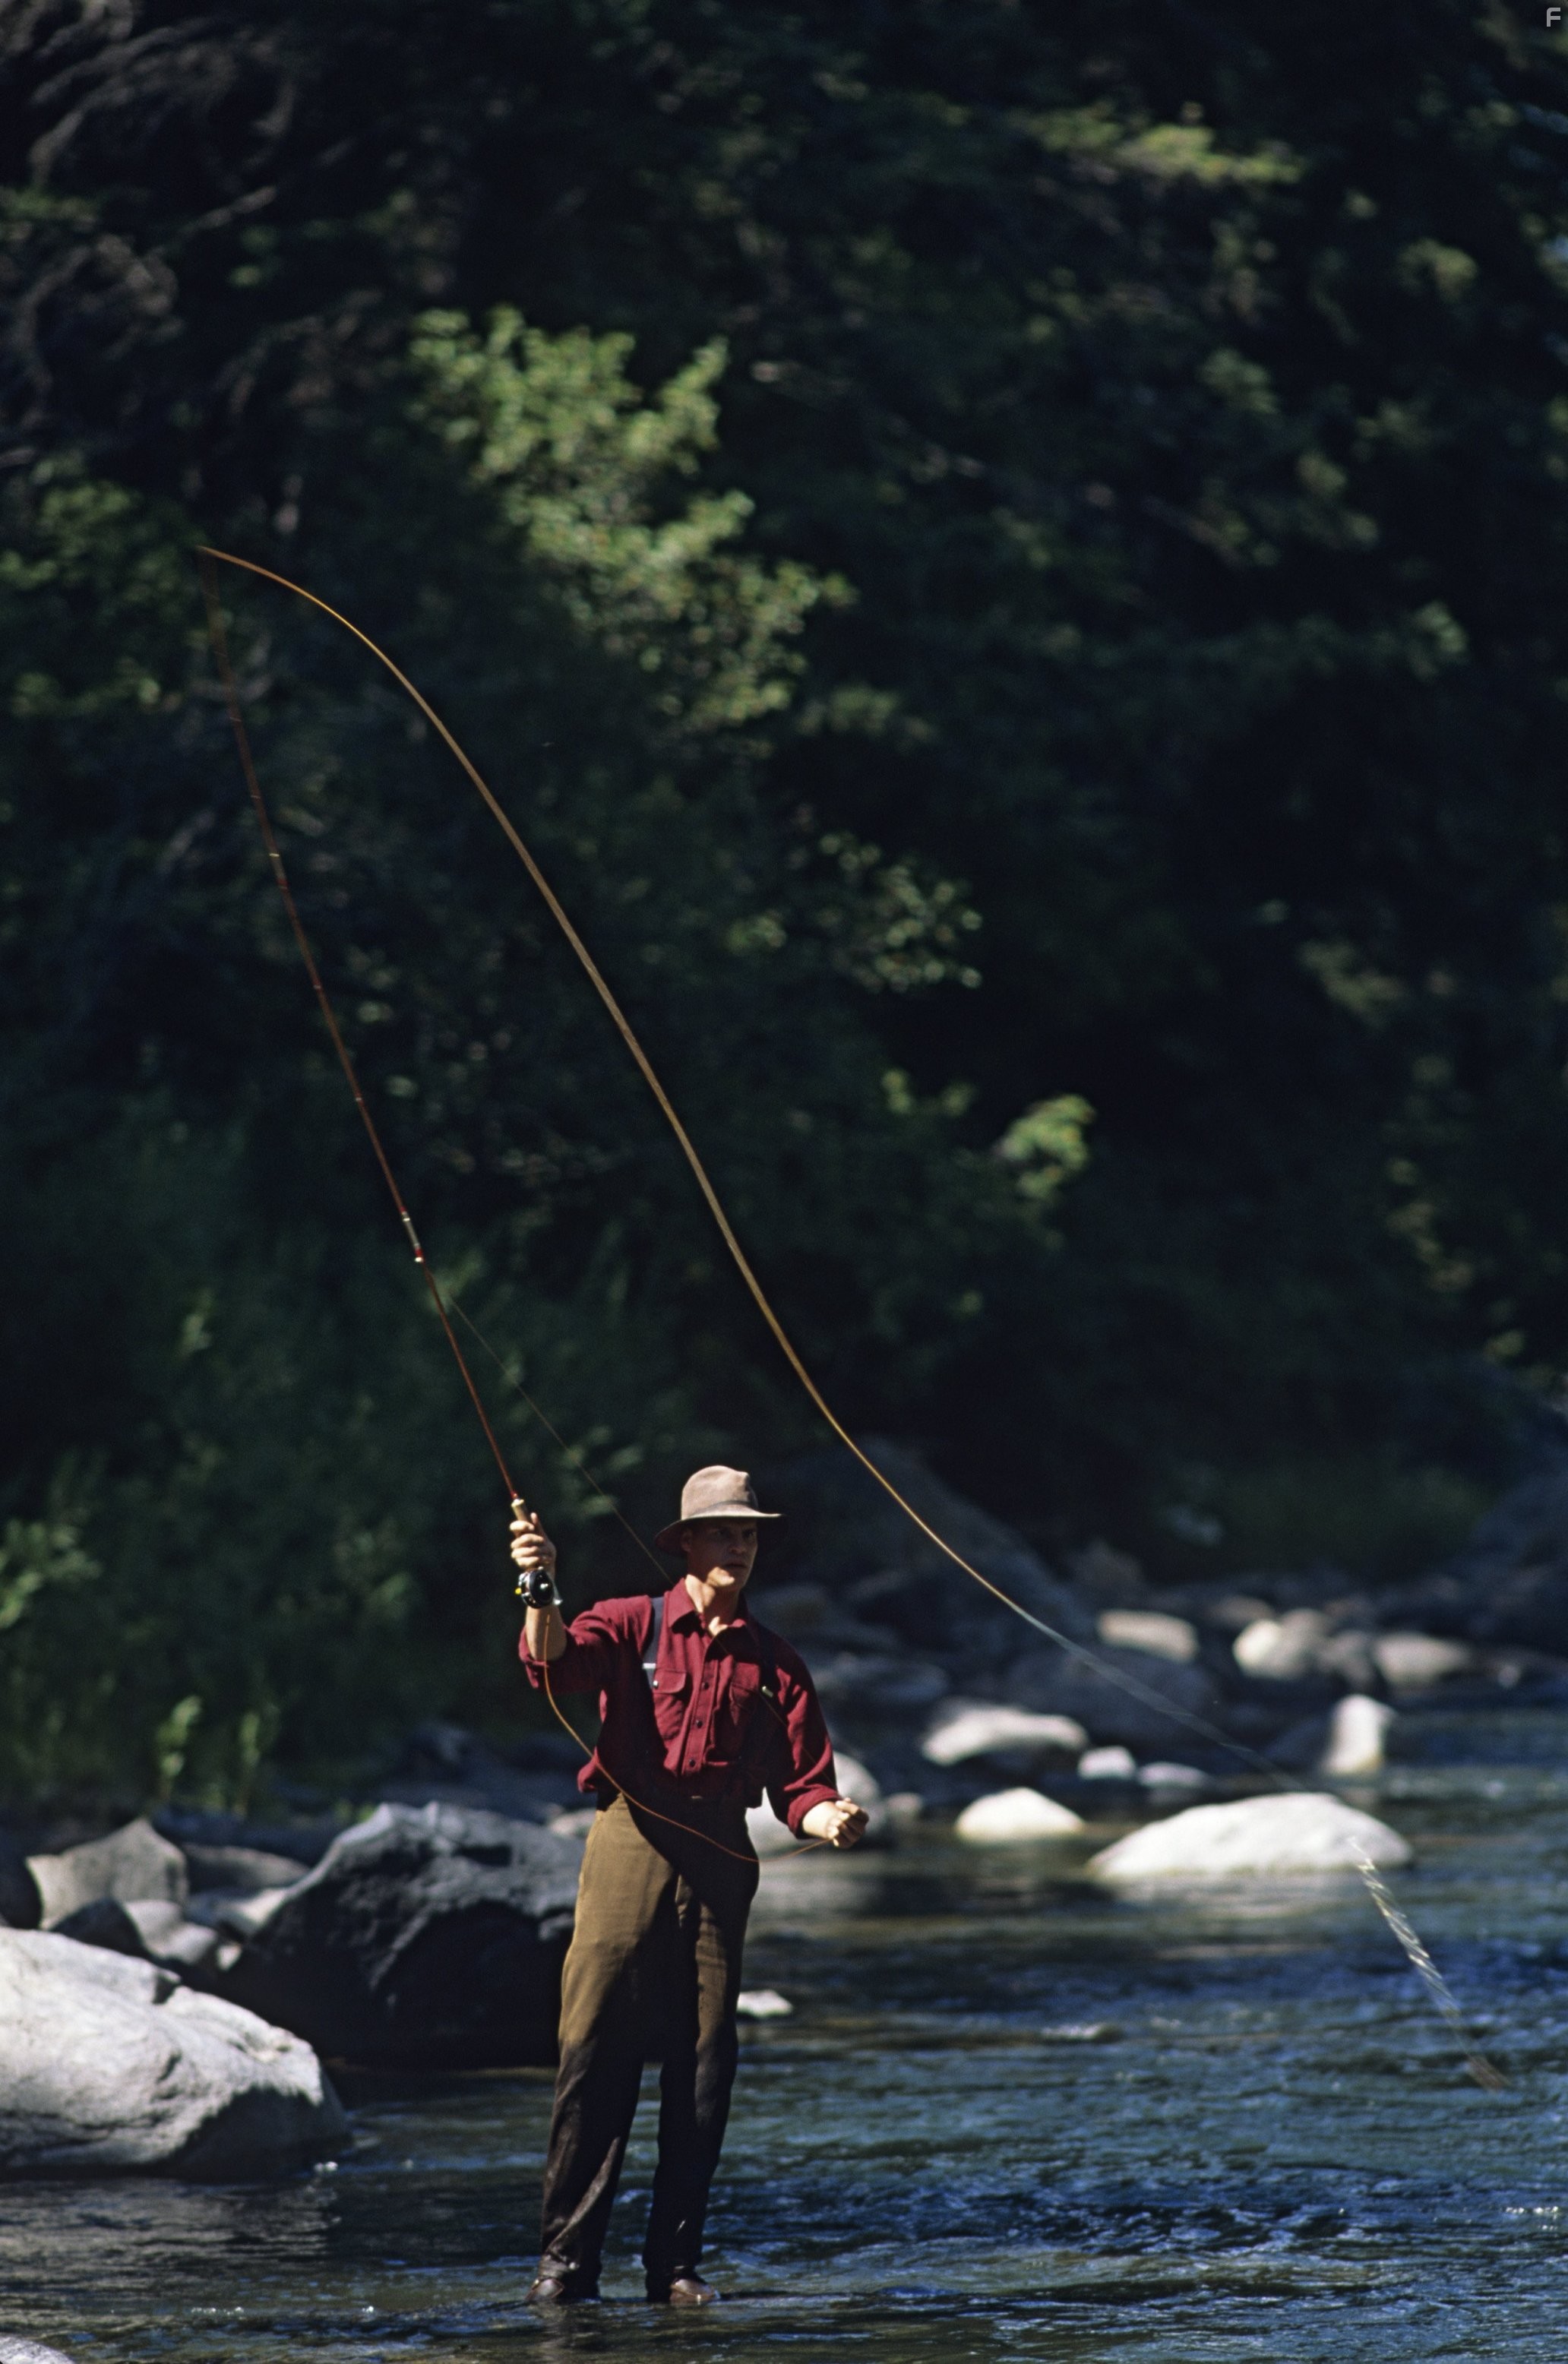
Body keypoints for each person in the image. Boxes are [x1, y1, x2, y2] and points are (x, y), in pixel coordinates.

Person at [511, 1463, 868, 2306]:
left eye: (749, 1534)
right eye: (723, 1533)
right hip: (628, 1837)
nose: (739, 1546)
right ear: (687, 1544)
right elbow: (551, 1662)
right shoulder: (629, 1623)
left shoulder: (777, 1663)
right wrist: (539, 1582)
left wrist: (830, 1818)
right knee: (593, 2046)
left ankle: (673, 2266)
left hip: (722, 1855)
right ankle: (566, 2265)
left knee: (705, 2063)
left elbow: (802, 1786)